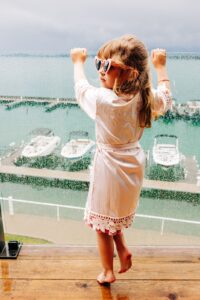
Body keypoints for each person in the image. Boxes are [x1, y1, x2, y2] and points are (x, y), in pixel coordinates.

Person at [70, 34, 172, 285]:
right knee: (111, 215)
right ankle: (124, 252)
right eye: (98, 63)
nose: (101, 71)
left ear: (130, 74)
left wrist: (77, 63)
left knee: (100, 222)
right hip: (133, 165)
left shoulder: (104, 100)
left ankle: (107, 271)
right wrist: (161, 67)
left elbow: (81, 89)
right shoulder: (145, 97)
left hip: (108, 167)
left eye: (108, 66)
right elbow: (166, 99)